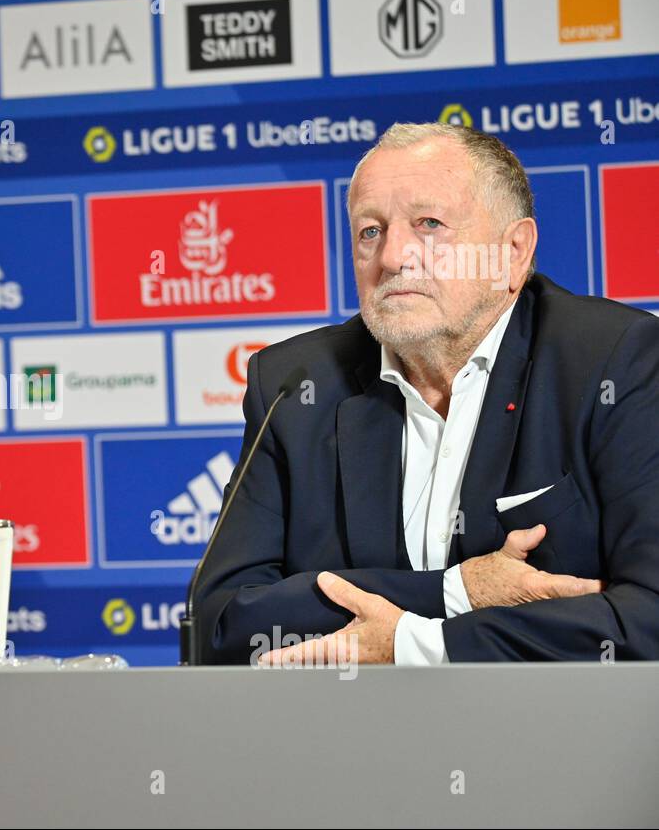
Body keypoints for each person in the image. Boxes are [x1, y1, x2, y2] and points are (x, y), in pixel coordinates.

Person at [190, 122, 659, 664]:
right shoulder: (297, 385)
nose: (392, 258)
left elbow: (647, 617)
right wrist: (453, 592)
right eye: (371, 231)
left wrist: (418, 644)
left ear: (512, 252)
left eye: (429, 224)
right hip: (349, 742)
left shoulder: (615, 360)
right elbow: (217, 625)